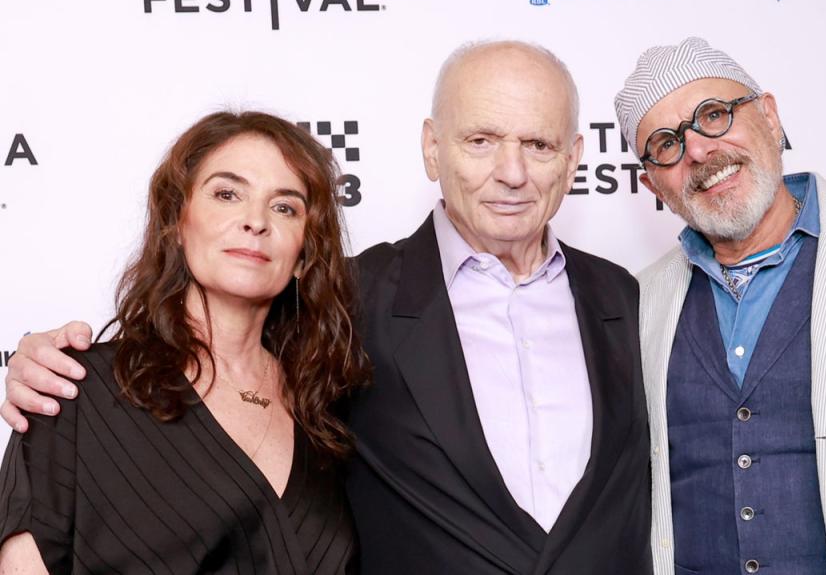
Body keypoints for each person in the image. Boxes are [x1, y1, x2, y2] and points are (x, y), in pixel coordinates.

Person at [2, 41, 654, 574]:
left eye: (539, 145)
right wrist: (43, 362)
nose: (511, 170)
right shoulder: (357, 301)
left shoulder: (627, 297)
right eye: (481, 139)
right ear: (433, 147)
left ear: (573, 158)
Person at [614, 37, 826, 574]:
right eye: (666, 144)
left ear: (771, 118)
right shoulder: (639, 302)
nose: (700, 151)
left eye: (713, 114)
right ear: (652, 183)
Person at [0, 111, 367, 573]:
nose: (255, 221)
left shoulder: (327, 411)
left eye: (285, 207)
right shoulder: (74, 388)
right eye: (227, 194)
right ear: (177, 221)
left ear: (303, 255)